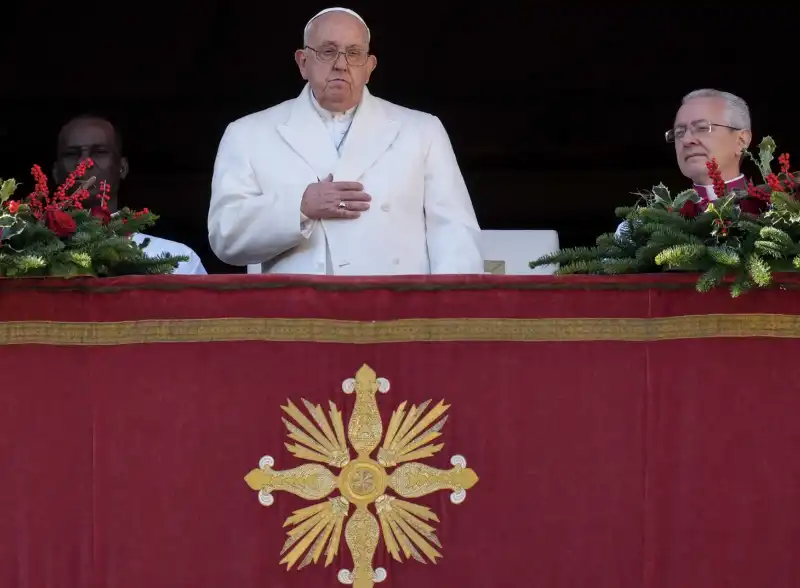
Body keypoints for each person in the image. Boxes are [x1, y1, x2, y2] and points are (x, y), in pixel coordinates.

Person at [208, 7, 483, 275]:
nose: (341, 64)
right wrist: (299, 207)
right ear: (303, 62)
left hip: (396, 309)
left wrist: (451, 311)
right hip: (297, 312)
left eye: (353, 53)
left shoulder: (422, 130)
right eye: (328, 51)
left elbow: (454, 233)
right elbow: (225, 236)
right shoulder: (248, 134)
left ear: (369, 66)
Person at [53, 114, 207, 275]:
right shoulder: (28, 258)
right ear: (55, 172)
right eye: (71, 154)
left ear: (122, 168)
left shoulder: (177, 261)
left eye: (99, 152)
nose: (84, 164)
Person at [617, 89, 752, 236]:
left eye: (702, 128)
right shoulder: (640, 230)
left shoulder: (775, 216)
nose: (686, 140)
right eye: (679, 132)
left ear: (741, 140)